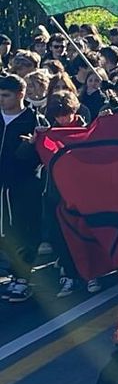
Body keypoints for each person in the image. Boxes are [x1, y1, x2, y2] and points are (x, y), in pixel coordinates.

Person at [0, 73, 45, 303]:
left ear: (20, 94)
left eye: (6, 95)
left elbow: (41, 158)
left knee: (22, 230)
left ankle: (22, 278)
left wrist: (28, 148)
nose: (1, 100)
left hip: (22, 186)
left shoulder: (34, 122)